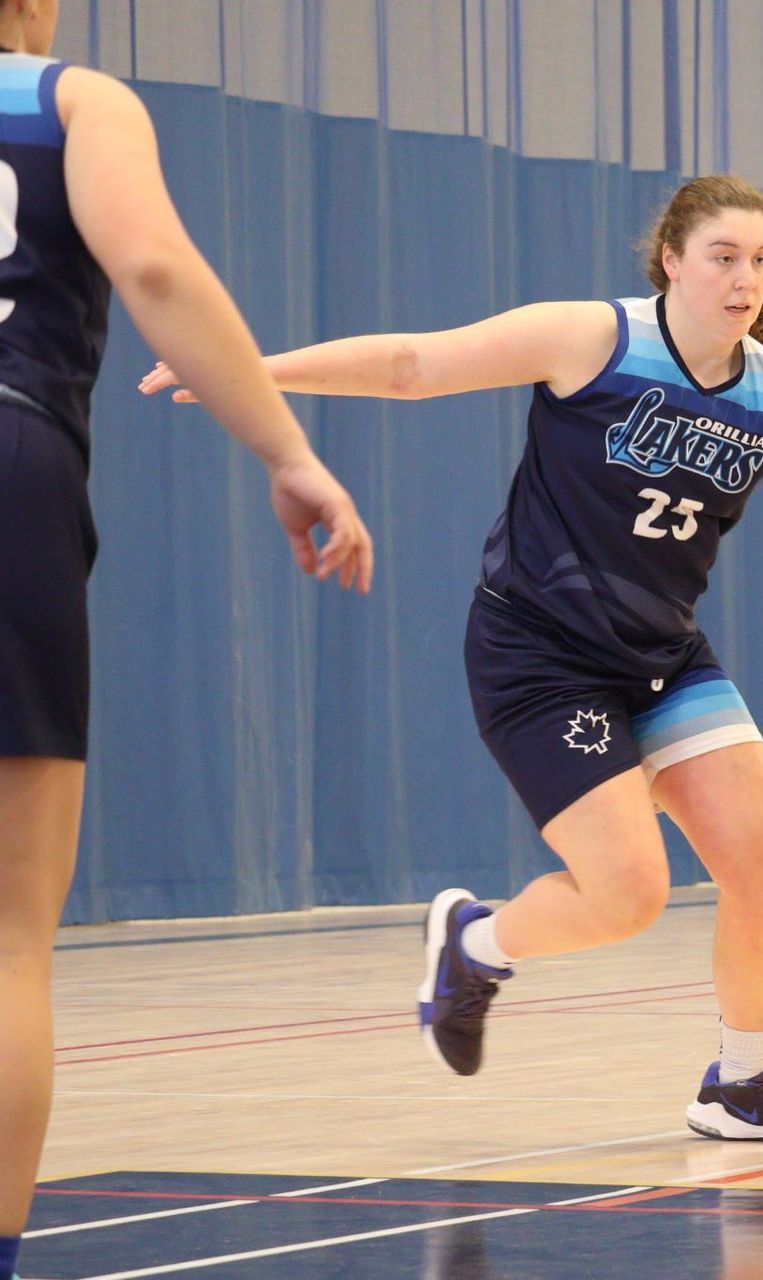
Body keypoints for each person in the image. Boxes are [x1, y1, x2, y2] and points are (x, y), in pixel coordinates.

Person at [143, 175, 763, 1147]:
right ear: (673, 261)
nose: (743, 278)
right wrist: (247, 373)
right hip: (540, 651)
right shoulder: (592, 340)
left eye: (759, 260)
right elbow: (409, 365)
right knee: (628, 891)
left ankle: (741, 1083)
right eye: (723, 257)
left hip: (662, 653)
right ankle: (472, 944)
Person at [0, 5, 375, 1275]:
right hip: (12, 452)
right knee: (9, 933)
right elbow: (155, 271)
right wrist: (289, 449)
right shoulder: (69, 101)